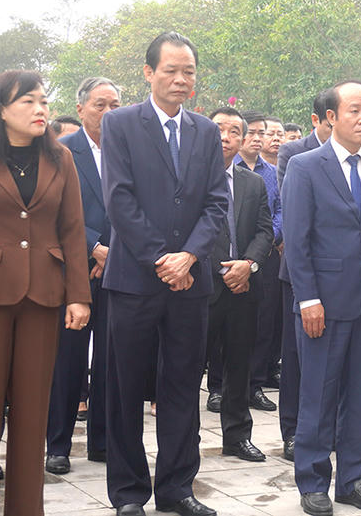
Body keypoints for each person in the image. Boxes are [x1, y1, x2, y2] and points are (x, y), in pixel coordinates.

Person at [101, 32, 228, 516]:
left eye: (189, 71)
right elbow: (120, 200)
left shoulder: (205, 131)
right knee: (126, 389)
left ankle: (177, 489)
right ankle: (129, 493)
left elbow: (217, 202)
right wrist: (162, 258)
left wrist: (189, 257)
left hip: (191, 285)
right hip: (135, 280)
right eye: (171, 70)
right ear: (149, 73)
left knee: (181, 389)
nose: (181, 79)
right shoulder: (120, 124)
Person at [283, 80, 361, 516]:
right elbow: (297, 241)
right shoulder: (304, 166)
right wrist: (307, 298)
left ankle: (353, 478)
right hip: (324, 303)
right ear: (331, 117)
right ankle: (313, 480)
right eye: (354, 110)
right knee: (317, 392)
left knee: (358, 395)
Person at [0, 69, 91, 515]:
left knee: (33, 416)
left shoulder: (60, 158)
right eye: (28, 101)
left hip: (44, 298)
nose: (40, 110)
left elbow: (72, 229)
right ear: (2, 109)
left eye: (44, 101)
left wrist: (79, 294)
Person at [45, 77, 121, 476]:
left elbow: (134, 206)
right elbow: (52, 210)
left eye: (114, 105)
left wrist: (116, 252)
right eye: (99, 105)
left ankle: (103, 441)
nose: (107, 113)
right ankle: (57, 444)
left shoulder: (128, 150)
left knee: (111, 359)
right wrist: (93, 247)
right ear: (81, 109)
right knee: (68, 360)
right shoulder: (60, 152)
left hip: (119, 270)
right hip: (73, 269)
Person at [206, 107, 274, 462]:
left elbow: (265, 230)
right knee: (187, 368)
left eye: (234, 131)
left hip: (244, 287)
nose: (226, 137)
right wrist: (222, 268)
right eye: (219, 130)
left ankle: (237, 437)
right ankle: (182, 439)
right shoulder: (189, 179)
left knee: (239, 365)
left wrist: (248, 265)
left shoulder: (255, 182)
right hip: (200, 286)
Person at [275, 88, 332, 463]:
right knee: (296, 357)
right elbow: (293, 214)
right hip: (300, 272)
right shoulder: (295, 154)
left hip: (342, 276)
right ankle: (293, 432)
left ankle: (330, 431)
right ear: (320, 120)